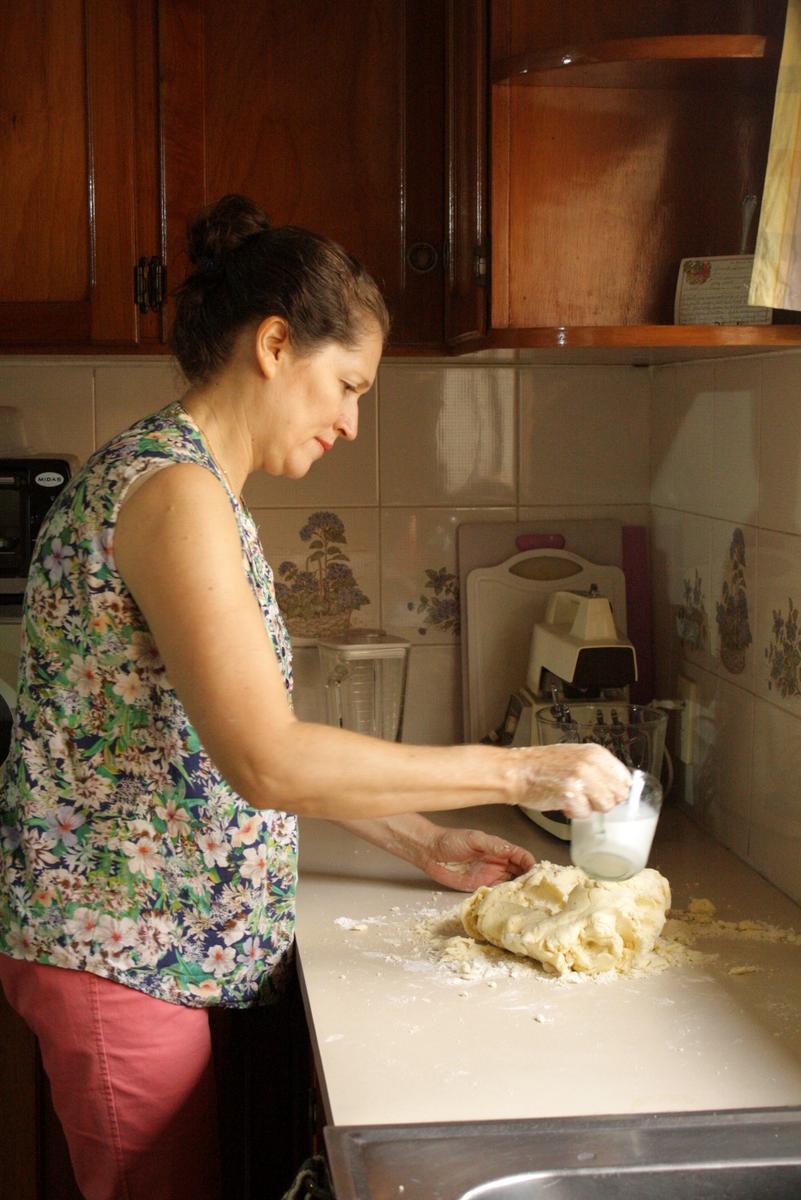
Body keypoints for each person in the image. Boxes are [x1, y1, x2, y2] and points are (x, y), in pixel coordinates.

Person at [0, 194, 630, 1200]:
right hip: (116, 954)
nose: (349, 420)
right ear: (275, 343)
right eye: (346, 385)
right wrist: (518, 768)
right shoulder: (174, 496)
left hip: (155, 952)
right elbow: (270, 757)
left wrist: (420, 838)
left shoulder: (191, 484)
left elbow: (229, 751)